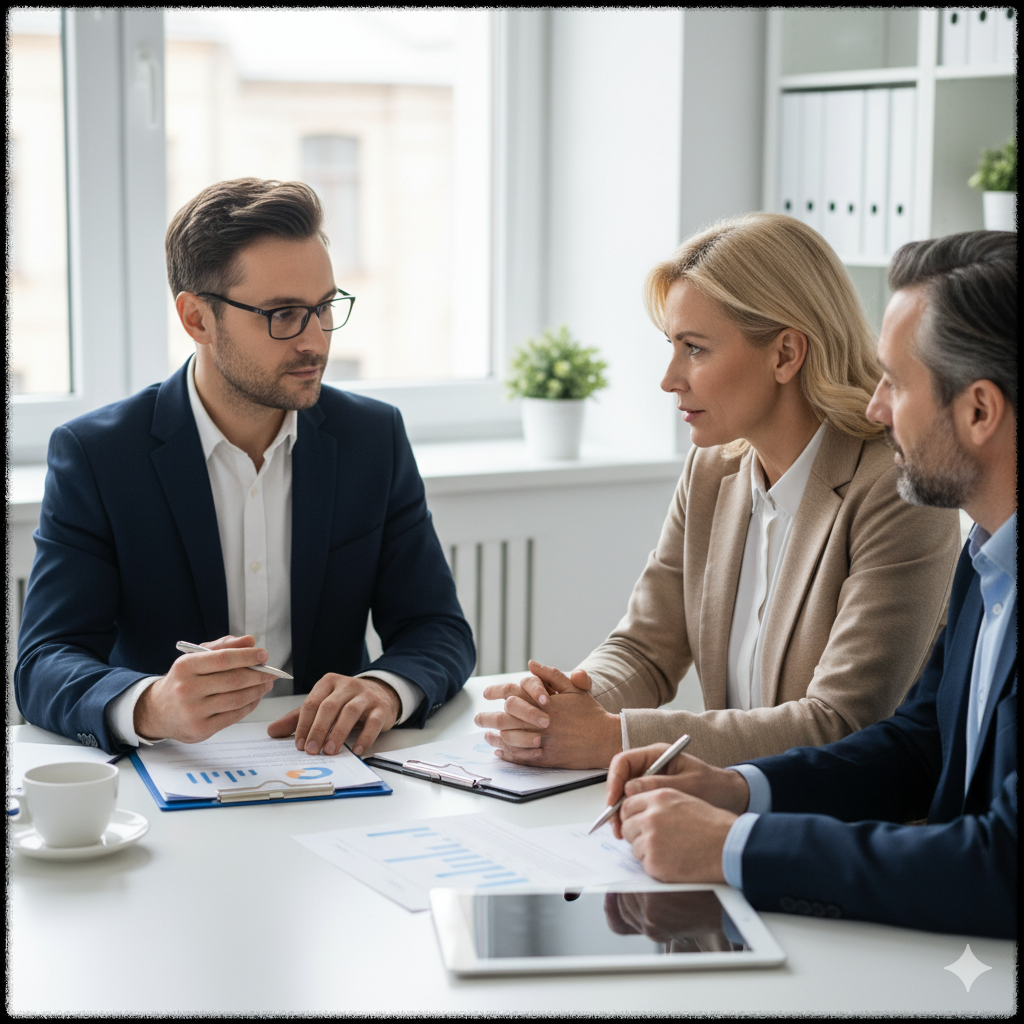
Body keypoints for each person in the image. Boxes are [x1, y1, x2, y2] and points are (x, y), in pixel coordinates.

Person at [604, 230, 1016, 938]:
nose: (878, 407)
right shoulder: (988, 556)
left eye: (897, 382)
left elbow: (1004, 865)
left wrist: (732, 844)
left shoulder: (916, 509)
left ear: (979, 411)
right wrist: (737, 788)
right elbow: (920, 744)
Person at [476, 213, 961, 769]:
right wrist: (561, 706)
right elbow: (644, 649)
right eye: (672, 345)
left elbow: (840, 723)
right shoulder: (711, 469)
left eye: (695, 349)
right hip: (721, 809)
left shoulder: (896, 489)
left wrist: (614, 738)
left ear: (785, 354)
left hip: (843, 834)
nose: (669, 378)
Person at [15, 178, 475, 757]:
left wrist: (384, 689)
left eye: (325, 308)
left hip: (332, 764)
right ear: (197, 319)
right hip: (174, 769)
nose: (315, 341)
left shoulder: (371, 438)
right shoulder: (99, 455)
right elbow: (43, 663)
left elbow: (438, 627)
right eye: (283, 314)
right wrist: (151, 705)